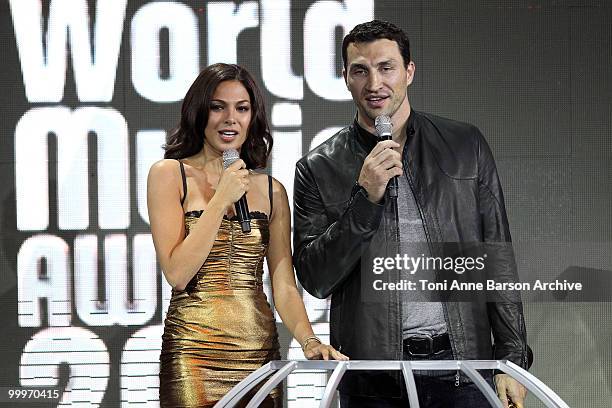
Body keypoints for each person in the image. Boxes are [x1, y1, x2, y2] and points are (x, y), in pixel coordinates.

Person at [293, 20, 531, 408]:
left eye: (386, 67)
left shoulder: (464, 144)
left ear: (409, 71)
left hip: (464, 368)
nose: (375, 84)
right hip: (371, 377)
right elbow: (316, 278)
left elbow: (496, 259)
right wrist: (365, 198)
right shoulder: (318, 167)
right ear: (345, 79)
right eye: (360, 71)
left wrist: (511, 361)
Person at [148, 63, 346, 408]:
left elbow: (283, 284)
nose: (230, 118)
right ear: (199, 112)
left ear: (253, 117)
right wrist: (221, 198)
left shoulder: (272, 191)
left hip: (258, 354)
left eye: (242, 108)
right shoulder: (169, 174)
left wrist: (308, 339)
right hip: (193, 354)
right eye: (218, 106)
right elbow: (178, 274)